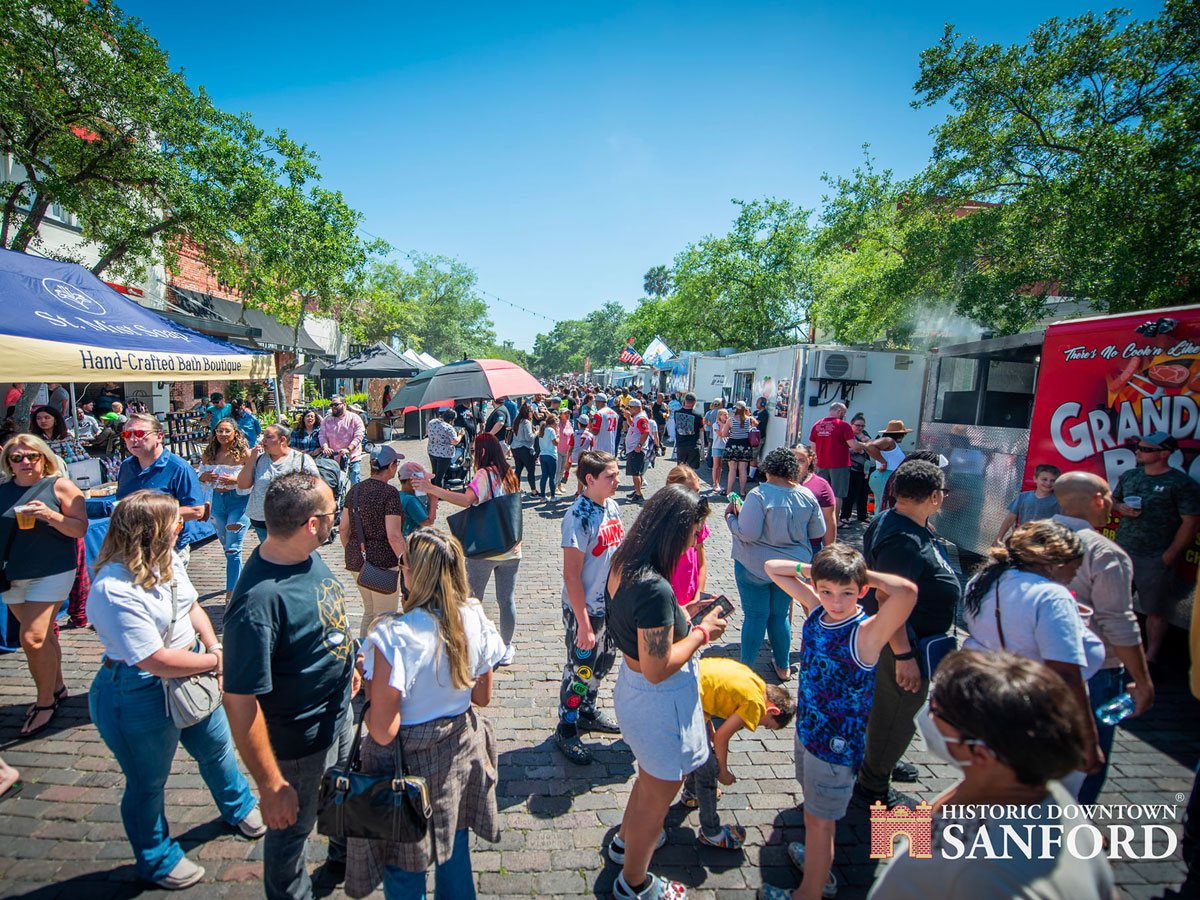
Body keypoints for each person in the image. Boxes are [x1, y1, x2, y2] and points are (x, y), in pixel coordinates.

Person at [87, 491, 264, 890]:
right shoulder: (113, 587)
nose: (182, 526)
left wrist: (213, 646)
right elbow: (154, 659)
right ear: (150, 532)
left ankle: (238, 806)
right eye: (175, 522)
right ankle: (155, 856)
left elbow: (192, 607)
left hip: (194, 669)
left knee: (217, 749)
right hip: (138, 691)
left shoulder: (166, 561)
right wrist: (217, 663)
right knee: (147, 783)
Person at [867, 650, 1116, 900]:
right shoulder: (1048, 797)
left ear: (981, 754)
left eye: (936, 710)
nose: (928, 717)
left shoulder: (982, 876)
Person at [348, 527, 505, 899]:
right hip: (461, 752)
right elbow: (482, 696)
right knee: (455, 853)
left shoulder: (391, 636)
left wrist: (368, 679)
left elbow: (384, 730)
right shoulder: (475, 616)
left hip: (405, 765)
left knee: (404, 868)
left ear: (412, 573)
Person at [223, 473, 357, 900]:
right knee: (290, 832)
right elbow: (240, 703)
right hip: (299, 744)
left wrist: (348, 658)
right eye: (333, 514)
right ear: (311, 524)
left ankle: (342, 855)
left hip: (339, 717)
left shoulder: (303, 555)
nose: (337, 521)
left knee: (341, 798)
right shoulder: (257, 604)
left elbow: (322, 615)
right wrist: (269, 785)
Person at [759, 547, 917, 900]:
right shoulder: (816, 610)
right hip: (808, 733)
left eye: (847, 592)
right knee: (815, 814)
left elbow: (907, 592)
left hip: (835, 748)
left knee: (820, 823)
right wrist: (815, 569)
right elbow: (773, 567)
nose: (836, 601)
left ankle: (811, 891)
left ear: (861, 591)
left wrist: (863, 574)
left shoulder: (867, 632)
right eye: (827, 590)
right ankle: (819, 866)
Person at [605, 485, 726, 900]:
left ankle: (623, 842)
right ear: (675, 530)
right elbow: (658, 667)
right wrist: (701, 633)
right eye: (695, 531)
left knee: (647, 784)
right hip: (660, 704)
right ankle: (634, 883)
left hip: (633, 689)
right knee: (656, 807)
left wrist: (682, 617)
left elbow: (644, 631)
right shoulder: (654, 586)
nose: (698, 539)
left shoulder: (625, 561)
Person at [961, 520, 1105, 795]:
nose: (1073, 576)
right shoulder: (1051, 597)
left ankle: (904, 837)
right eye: (1073, 567)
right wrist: (1087, 740)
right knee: (1034, 809)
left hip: (988, 706)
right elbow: (1065, 674)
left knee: (979, 790)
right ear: (1055, 561)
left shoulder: (984, 579)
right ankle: (902, 837)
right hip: (1035, 717)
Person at [855, 460, 962, 808]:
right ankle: (873, 788)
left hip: (904, 641)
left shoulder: (894, 519)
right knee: (895, 717)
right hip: (902, 645)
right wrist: (904, 656)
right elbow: (888, 598)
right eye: (943, 493)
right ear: (934, 496)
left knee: (886, 714)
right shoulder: (904, 539)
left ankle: (878, 764)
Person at [1052, 471, 1154, 805]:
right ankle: (1068, 833)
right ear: (1099, 500)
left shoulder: (1028, 538)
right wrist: (1141, 679)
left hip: (1033, 662)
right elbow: (1118, 622)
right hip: (1093, 673)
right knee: (1085, 761)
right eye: (1109, 497)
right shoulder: (1104, 552)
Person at [0, 435, 87, 736]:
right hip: (12, 574)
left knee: (32, 638)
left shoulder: (58, 486)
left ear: (43, 457)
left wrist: (50, 515)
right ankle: (58, 686)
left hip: (52, 570)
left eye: (31, 456)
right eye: (17, 458)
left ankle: (45, 702)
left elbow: (79, 529)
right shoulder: (3, 490)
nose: (25, 462)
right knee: (44, 636)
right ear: (8, 462)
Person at [415, 433, 522, 665]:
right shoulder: (510, 473)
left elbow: (466, 500)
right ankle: (506, 647)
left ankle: (474, 643)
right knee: (507, 600)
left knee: (472, 599)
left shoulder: (484, 474)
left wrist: (432, 489)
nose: (473, 454)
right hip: (511, 546)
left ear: (482, 452)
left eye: (475, 450)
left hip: (485, 547)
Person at [725, 447, 826, 682]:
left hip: (754, 565)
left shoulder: (759, 495)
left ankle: (746, 671)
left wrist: (730, 517)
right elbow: (818, 532)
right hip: (791, 568)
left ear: (769, 468)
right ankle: (783, 666)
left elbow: (748, 533)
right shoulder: (806, 495)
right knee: (779, 615)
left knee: (755, 615)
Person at [554, 450, 625, 764]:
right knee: (580, 669)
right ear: (589, 479)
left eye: (617, 474)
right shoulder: (578, 516)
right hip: (584, 609)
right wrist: (583, 623)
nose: (617, 481)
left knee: (603, 663)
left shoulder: (612, 506)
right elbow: (571, 574)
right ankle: (566, 726)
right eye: (610, 476)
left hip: (609, 608)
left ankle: (587, 710)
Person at [684, 658, 795, 849]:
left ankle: (692, 793)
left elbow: (713, 690)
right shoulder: (756, 705)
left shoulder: (757, 684)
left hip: (689, 691)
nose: (761, 726)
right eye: (767, 725)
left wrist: (707, 723)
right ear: (773, 711)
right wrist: (723, 772)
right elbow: (721, 738)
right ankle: (711, 832)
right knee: (709, 768)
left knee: (701, 754)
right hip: (686, 703)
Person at [1111, 431, 1200, 665]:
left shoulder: (1180, 484)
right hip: (1123, 552)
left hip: (1155, 557)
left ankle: (1151, 659)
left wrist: (1169, 556)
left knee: (1156, 611)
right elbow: (1113, 501)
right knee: (1114, 605)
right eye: (1137, 447)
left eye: (1145, 449)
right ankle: (1111, 651)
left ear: (1164, 454)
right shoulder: (1131, 476)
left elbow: (1191, 522)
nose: (1138, 451)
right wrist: (1121, 508)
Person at [116, 413, 208, 561]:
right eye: (127, 434)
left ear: (159, 437)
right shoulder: (126, 466)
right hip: (131, 547)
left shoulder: (179, 467)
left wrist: (149, 515)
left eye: (140, 433)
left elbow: (197, 510)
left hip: (168, 550)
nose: (133, 439)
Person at [340, 445, 408, 638]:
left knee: (369, 612)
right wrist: (406, 561)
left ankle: (363, 656)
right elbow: (394, 535)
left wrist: (353, 549)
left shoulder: (354, 490)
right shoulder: (389, 493)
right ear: (392, 466)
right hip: (383, 563)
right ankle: (380, 662)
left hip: (357, 560)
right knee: (384, 616)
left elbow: (344, 528)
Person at [198, 419, 252, 600]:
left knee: (233, 549)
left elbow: (255, 477)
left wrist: (236, 480)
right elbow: (200, 474)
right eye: (219, 431)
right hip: (217, 502)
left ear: (235, 433)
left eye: (227, 431)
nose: (222, 434)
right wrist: (204, 476)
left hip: (239, 501)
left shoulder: (244, 453)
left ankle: (232, 595)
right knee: (227, 547)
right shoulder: (209, 453)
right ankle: (241, 580)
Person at [238, 424, 320, 543]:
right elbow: (243, 485)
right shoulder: (260, 460)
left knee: (289, 555)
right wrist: (251, 459)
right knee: (271, 557)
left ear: (282, 440)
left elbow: (316, 487)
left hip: (291, 519)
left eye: (268, 437)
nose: (263, 441)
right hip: (262, 519)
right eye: (263, 437)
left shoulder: (301, 459)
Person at [665, 466, 709, 606]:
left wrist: (698, 596)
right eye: (690, 492)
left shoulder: (698, 519)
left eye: (697, 491)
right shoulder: (662, 522)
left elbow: (701, 563)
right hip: (667, 603)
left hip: (690, 600)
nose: (696, 497)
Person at [808, 401, 858, 520]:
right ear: (839, 411)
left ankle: (820, 519)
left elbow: (813, 449)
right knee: (837, 495)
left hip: (821, 464)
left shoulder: (817, 425)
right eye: (844, 413)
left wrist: (814, 466)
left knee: (822, 493)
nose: (844, 416)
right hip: (839, 464)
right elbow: (854, 446)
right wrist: (866, 446)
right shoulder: (843, 425)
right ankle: (834, 521)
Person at [994, 463, 1062, 544]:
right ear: (1035, 479)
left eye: (1053, 481)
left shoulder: (1058, 501)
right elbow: (1010, 518)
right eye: (1044, 479)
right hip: (1022, 539)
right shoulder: (1023, 497)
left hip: (1044, 543)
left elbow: (1061, 524)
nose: (1048, 483)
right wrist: (999, 538)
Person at [859, 420, 911, 516]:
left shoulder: (888, 443)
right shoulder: (889, 441)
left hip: (883, 476)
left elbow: (869, 446)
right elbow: (869, 446)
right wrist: (883, 462)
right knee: (886, 507)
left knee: (881, 506)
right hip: (887, 476)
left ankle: (879, 526)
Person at [791, 444, 837, 552]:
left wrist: (829, 552)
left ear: (810, 460)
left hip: (810, 547)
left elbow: (829, 520)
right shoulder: (776, 482)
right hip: (780, 547)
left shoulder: (821, 486)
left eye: (801, 461)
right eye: (792, 460)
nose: (796, 465)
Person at [320, 394, 366, 486]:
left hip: (351, 458)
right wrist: (325, 448)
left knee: (354, 483)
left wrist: (348, 449)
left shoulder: (354, 418)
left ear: (344, 404)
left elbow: (359, 436)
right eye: (331, 405)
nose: (333, 407)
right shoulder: (326, 420)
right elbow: (322, 435)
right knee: (335, 485)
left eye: (336, 404)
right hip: (333, 458)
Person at [396, 461, 437, 539]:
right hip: (413, 541)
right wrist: (433, 500)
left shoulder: (399, 495)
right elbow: (427, 523)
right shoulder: (411, 500)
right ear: (411, 481)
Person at [842, 415, 872, 525]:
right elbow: (844, 449)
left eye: (862, 426)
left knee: (864, 492)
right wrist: (855, 449)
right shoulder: (849, 435)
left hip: (865, 468)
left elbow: (870, 446)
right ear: (852, 424)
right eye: (857, 425)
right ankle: (845, 516)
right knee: (851, 493)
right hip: (852, 468)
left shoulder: (865, 434)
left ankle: (863, 515)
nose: (860, 428)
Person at [723, 400, 755, 497]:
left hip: (733, 444)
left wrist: (731, 433)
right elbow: (755, 425)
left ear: (736, 409)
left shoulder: (731, 420)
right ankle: (742, 491)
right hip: (744, 444)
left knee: (732, 469)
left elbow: (724, 434)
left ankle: (729, 491)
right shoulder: (749, 420)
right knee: (743, 470)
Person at [426, 408, 462, 487]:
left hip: (432, 451)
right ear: (451, 419)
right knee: (440, 476)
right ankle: (438, 494)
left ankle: (433, 491)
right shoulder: (448, 428)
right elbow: (455, 442)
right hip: (444, 454)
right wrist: (460, 435)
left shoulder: (431, 422)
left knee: (434, 473)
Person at [624, 398, 652, 501]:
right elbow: (632, 425)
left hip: (636, 449)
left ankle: (638, 494)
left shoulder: (641, 418)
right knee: (635, 473)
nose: (629, 410)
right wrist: (628, 417)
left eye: (631, 408)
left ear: (636, 408)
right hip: (633, 448)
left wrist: (639, 445)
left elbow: (645, 432)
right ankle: (637, 490)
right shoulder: (636, 417)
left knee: (636, 473)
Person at [510, 402, 539, 497]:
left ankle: (516, 489)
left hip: (515, 447)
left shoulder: (517, 420)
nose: (533, 412)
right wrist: (537, 432)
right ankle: (534, 492)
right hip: (525, 449)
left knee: (518, 469)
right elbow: (529, 437)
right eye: (531, 411)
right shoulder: (526, 422)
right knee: (531, 471)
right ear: (527, 412)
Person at [672, 392, 705, 470]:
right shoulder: (698, 415)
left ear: (684, 400)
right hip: (693, 445)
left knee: (681, 468)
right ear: (694, 402)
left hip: (680, 444)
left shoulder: (676, 413)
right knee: (691, 470)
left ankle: (682, 481)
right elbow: (702, 428)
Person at [536, 410, 560, 499]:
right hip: (551, 455)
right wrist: (558, 434)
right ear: (554, 423)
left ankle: (542, 496)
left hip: (542, 455)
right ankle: (553, 496)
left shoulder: (542, 430)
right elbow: (556, 443)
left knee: (544, 476)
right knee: (552, 477)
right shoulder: (551, 431)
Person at [592, 393, 621, 457]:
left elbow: (595, 432)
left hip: (599, 449)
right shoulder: (615, 414)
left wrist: (590, 425)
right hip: (611, 449)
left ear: (599, 402)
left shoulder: (599, 414)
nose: (595, 404)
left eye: (596, 402)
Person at [711, 408, 730, 495]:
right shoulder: (716, 424)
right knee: (716, 466)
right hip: (716, 446)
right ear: (719, 416)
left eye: (727, 414)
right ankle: (715, 484)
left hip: (724, 446)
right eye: (724, 414)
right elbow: (721, 434)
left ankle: (717, 482)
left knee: (720, 467)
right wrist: (722, 426)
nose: (726, 416)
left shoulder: (727, 424)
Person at [555, 406, 574, 487]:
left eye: (568, 413)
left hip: (567, 450)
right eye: (565, 413)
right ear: (560, 415)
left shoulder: (569, 423)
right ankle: (555, 486)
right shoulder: (557, 425)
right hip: (558, 450)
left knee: (563, 469)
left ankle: (559, 485)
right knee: (557, 470)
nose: (567, 415)